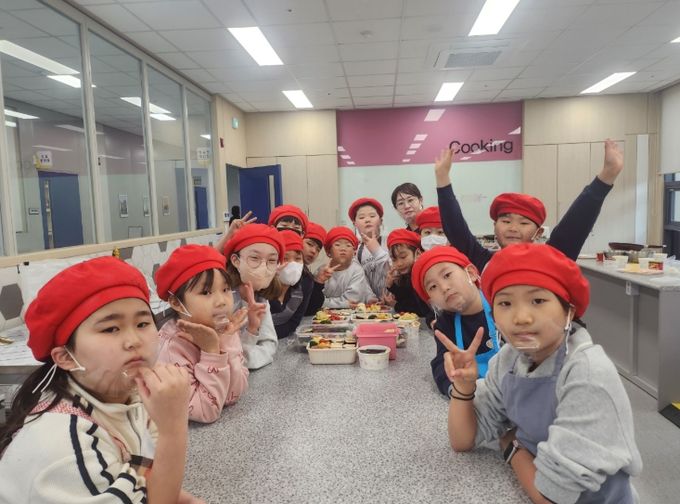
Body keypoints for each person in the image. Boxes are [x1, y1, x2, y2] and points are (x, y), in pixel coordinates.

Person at [437, 243, 642, 503]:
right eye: (505, 303)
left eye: (538, 301)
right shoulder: (509, 360)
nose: (521, 317)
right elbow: (462, 440)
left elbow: (552, 497)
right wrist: (464, 387)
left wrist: (513, 448)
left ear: (568, 311)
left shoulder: (588, 375)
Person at [0, 257, 201, 503]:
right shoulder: (64, 444)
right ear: (66, 357)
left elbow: (144, 478)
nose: (134, 341)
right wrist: (173, 428)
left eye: (142, 323)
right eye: (110, 329)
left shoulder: (134, 398)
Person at [434, 139, 624, 272]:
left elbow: (575, 226)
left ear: (538, 233)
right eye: (506, 221)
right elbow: (456, 229)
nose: (513, 228)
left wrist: (607, 176)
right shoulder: (482, 261)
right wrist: (442, 178)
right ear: (494, 227)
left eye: (524, 223)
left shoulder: (551, 259)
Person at [155, 245, 249, 423]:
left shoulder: (222, 330)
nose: (221, 301)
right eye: (206, 292)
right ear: (176, 302)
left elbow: (234, 394)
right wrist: (211, 351)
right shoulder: (173, 347)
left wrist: (226, 339)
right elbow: (205, 411)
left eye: (225, 289)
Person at [411, 246, 500, 396]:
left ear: (471, 273)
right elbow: (441, 363)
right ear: (432, 301)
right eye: (433, 286)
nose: (444, 287)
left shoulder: (501, 306)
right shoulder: (444, 325)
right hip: (474, 395)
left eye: (447, 275)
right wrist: (458, 389)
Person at [223, 223, 285, 370]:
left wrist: (244, 357)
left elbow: (270, 344)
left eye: (271, 261)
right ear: (236, 260)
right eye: (255, 258)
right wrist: (251, 332)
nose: (263, 267)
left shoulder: (261, 299)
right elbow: (222, 353)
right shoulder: (222, 298)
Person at [270, 230, 314, 338]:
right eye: (285, 258)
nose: (292, 264)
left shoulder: (306, 283)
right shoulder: (261, 286)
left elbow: (294, 322)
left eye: (298, 259)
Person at [383, 229, 433, 321]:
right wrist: (391, 286)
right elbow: (405, 296)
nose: (399, 263)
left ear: (418, 253)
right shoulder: (406, 275)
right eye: (394, 259)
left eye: (403, 257)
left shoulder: (423, 276)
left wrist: (396, 305)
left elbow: (417, 309)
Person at [320, 226, 375, 308]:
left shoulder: (357, 271)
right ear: (328, 252)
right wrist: (341, 303)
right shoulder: (321, 272)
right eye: (337, 245)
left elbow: (352, 300)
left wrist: (326, 302)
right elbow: (316, 300)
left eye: (348, 245)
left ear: (354, 253)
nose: (343, 248)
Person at [348, 197, 390, 299]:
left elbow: (397, 269)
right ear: (354, 223)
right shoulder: (356, 252)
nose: (367, 220)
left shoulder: (390, 242)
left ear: (380, 220)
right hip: (372, 304)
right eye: (361, 217)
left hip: (396, 301)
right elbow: (361, 280)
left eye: (372, 216)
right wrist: (371, 298)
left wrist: (376, 250)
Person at [302, 221, 329, 316]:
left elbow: (310, 309)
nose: (314, 251)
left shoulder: (306, 274)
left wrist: (319, 282)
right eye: (310, 244)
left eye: (318, 249)